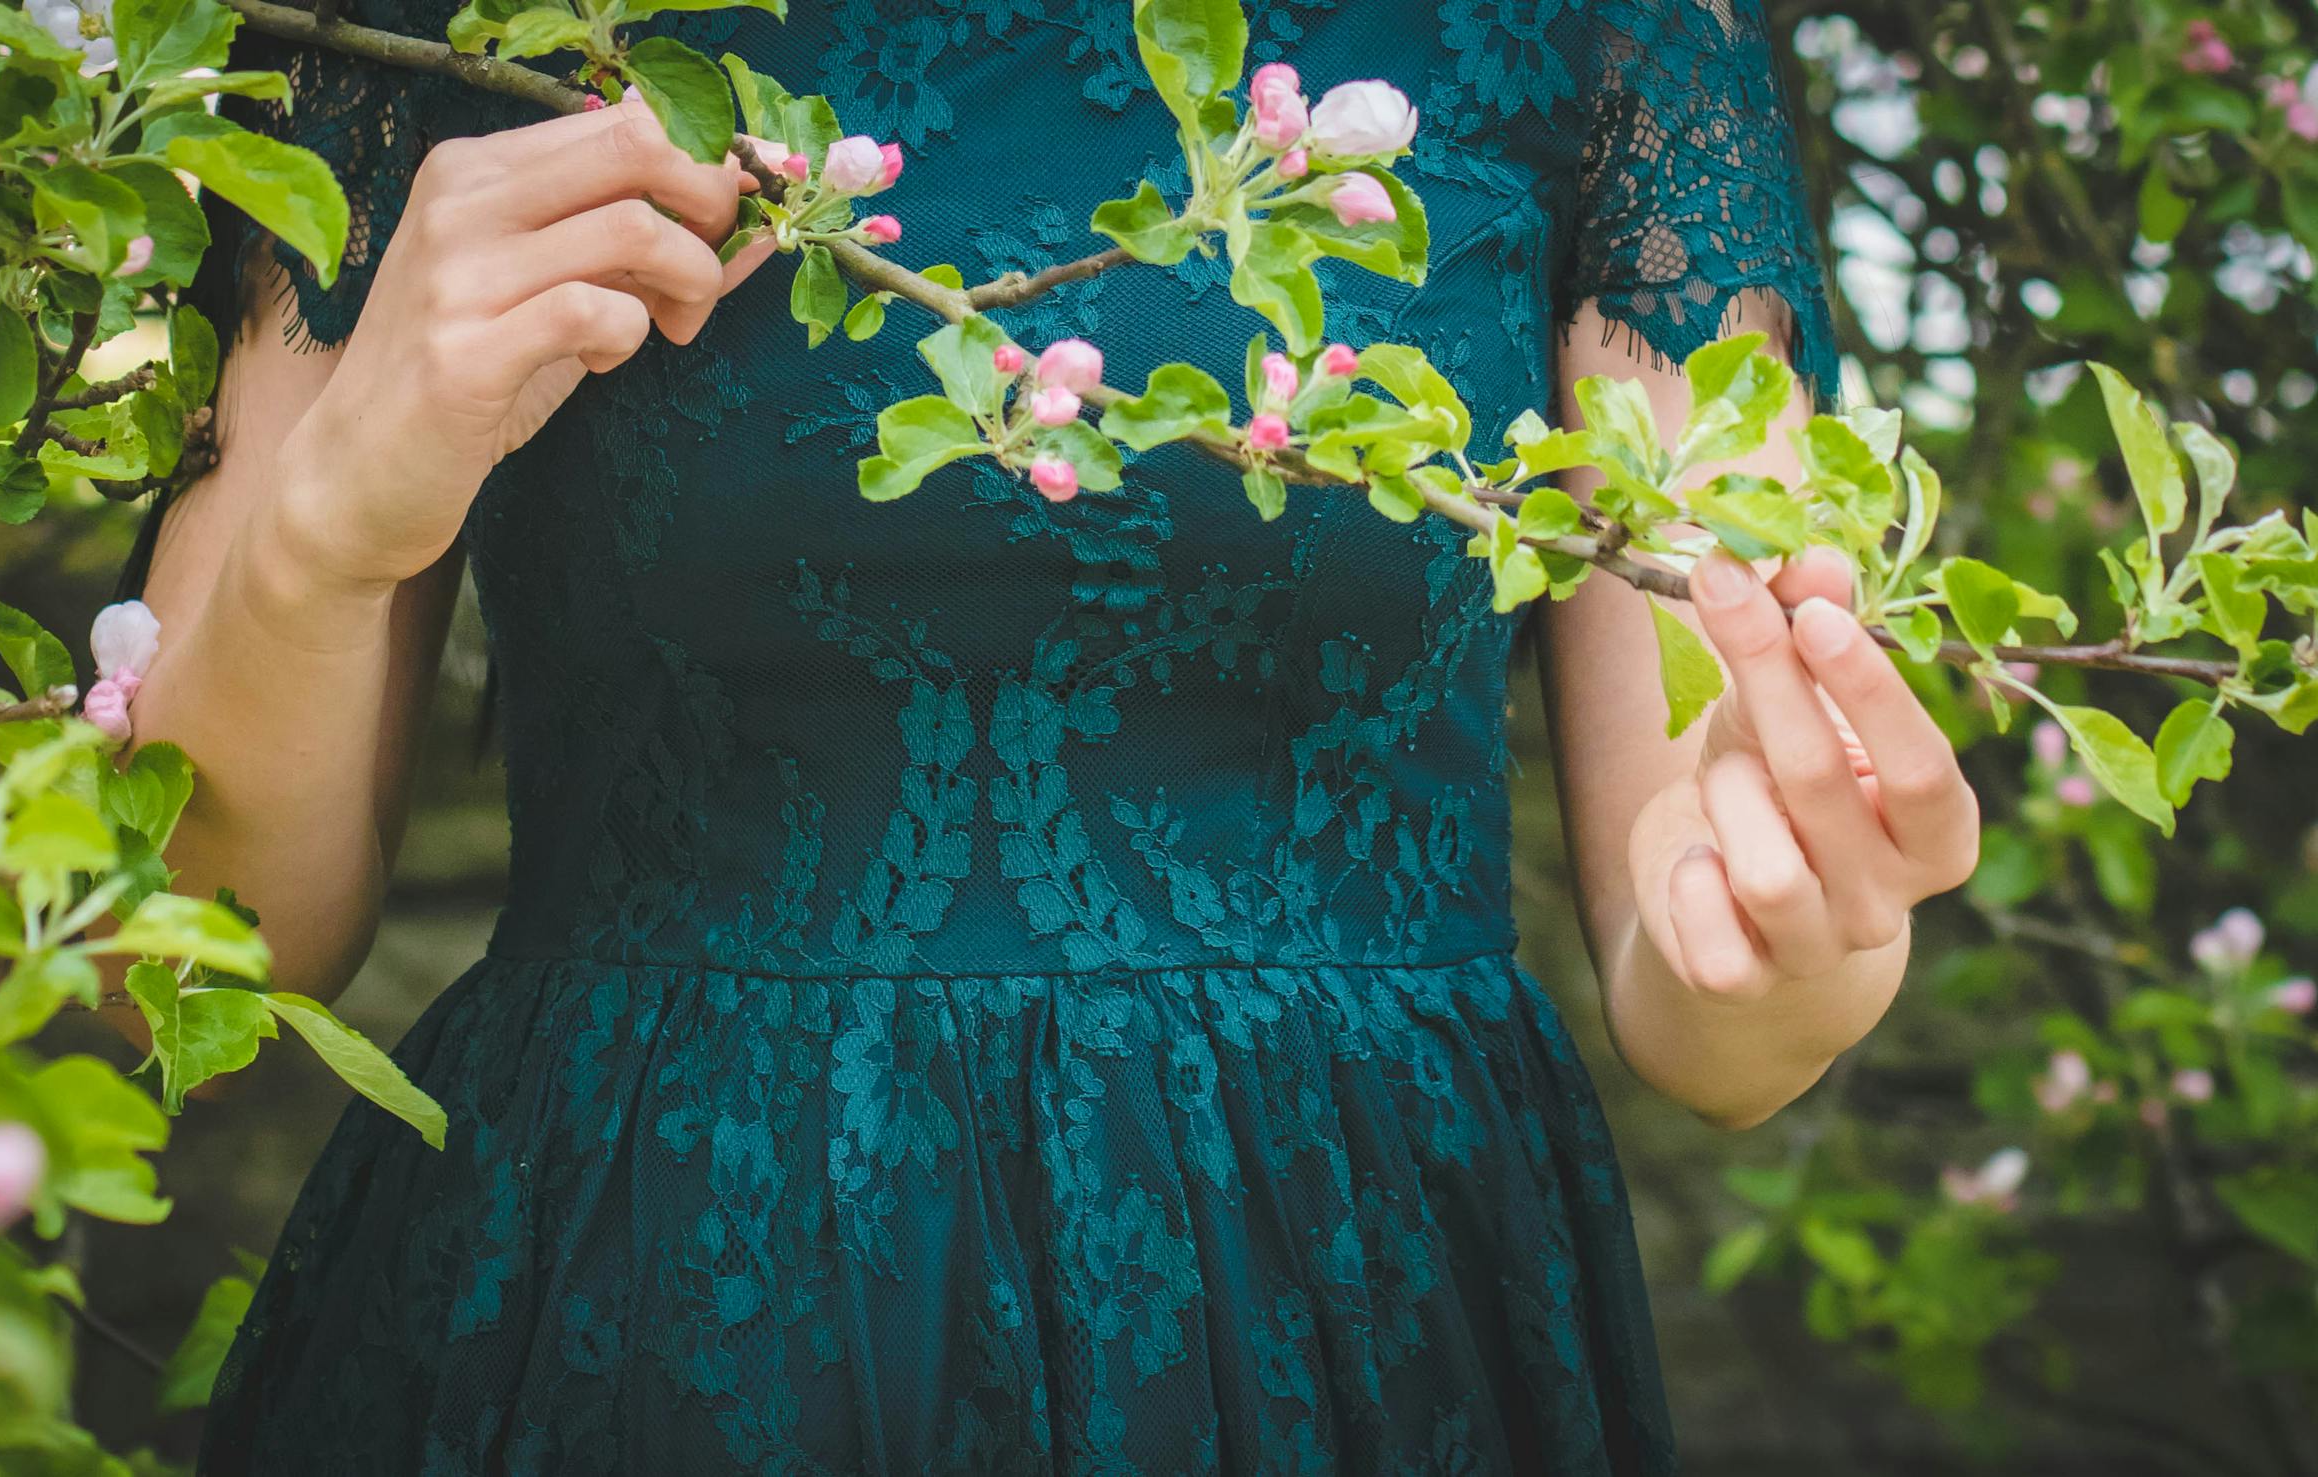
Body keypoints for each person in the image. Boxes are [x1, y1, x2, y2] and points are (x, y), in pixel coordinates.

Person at [137, 0, 1977, 1470]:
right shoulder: (424, 32)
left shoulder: (1611, 31)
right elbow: (210, 948)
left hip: (1342, 1293)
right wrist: (321, 538)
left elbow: (1707, 950)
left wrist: (1790, 932)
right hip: (640, 1284)